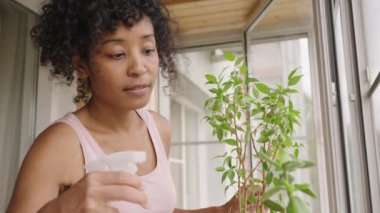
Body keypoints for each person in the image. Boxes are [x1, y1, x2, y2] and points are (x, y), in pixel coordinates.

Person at [6, 0, 239, 212]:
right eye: (117, 54)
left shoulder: (159, 129)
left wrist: (218, 211)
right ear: (82, 64)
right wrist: (60, 209)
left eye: (148, 50)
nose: (139, 67)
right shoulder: (58, 146)